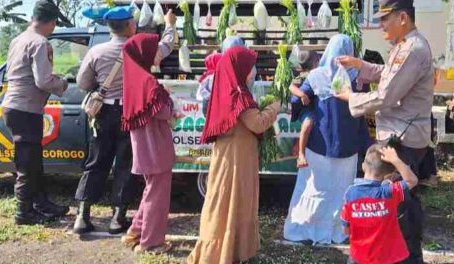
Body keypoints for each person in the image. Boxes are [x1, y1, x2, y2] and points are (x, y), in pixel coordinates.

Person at [335, 0, 434, 264]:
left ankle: (408, 258)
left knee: (400, 207)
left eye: (384, 20)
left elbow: (385, 95)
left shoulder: (412, 50)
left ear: (402, 18)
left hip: (402, 139)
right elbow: (388, 73)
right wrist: (361, 66)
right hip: (401, 135)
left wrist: (349, 98)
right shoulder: (405, 46)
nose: (381, 26)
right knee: (398, 203)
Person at [72, 7, 176, 234]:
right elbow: (166, 47)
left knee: (96, 161)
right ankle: (117, 218)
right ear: (129, 26)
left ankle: (82, 215)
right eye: (133, 22)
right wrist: (169, 25)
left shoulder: (96, 52)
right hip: (131, 113)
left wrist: (103, 88)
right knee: (126, 163)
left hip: (103, 113)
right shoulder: (139, 50)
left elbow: (83, 82)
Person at [187, 46, 281, 264]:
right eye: (250, 67)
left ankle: (233, 250)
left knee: (230, 201)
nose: (253, 71)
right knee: (229, 202)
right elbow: (257, 123)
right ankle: (221, 252)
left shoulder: (226, 88)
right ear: (239, 68)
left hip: (231, 156)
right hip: (236, 160)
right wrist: (274, 108)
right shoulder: (238, 94)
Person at [283, 34, 370, 245]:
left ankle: (303, 229)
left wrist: (306, 104)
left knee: (312, 188)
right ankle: (338, 231)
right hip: (347, 145)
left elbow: (297, 99)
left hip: (318, 144)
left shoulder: (316, 76)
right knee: (341, 189)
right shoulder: (358, 78)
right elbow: (364, 107)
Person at [2, 1, 69, 225]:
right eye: (54, 25)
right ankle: (23, 212)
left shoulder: (18, 39)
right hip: (26, 108)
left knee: (33, 160)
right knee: (27, 162)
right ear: (51, 22)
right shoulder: (41, 43)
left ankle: (41, 204)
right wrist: (61, 83)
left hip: (14, 106)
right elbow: (42, 81)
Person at [119, 33, 177, 254]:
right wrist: (169, 100)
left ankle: (135, 231)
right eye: (153, 49)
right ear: (144, 53)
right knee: (158, 196)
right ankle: (151, 243)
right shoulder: (148, 81)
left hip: (144, 147)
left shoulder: (133, 79)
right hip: (156, 147)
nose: (157, 53)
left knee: (151, 191)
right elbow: (162, 111)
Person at [342, 144, 419, 264]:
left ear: (363, 166)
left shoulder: (351, 194)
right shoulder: (389, 192)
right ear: (389, 176)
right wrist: (395, 160)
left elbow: (346, 229)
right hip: (387, 257)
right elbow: (412, 180)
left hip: (359, 256)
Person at [288, 49, 320, 168]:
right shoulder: (303, 76)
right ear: (315, 63)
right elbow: (291, 87)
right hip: (307, 109)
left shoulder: (319, 74)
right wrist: (302, 94)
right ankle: (301, 154)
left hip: (315, 107)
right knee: (308, 123)